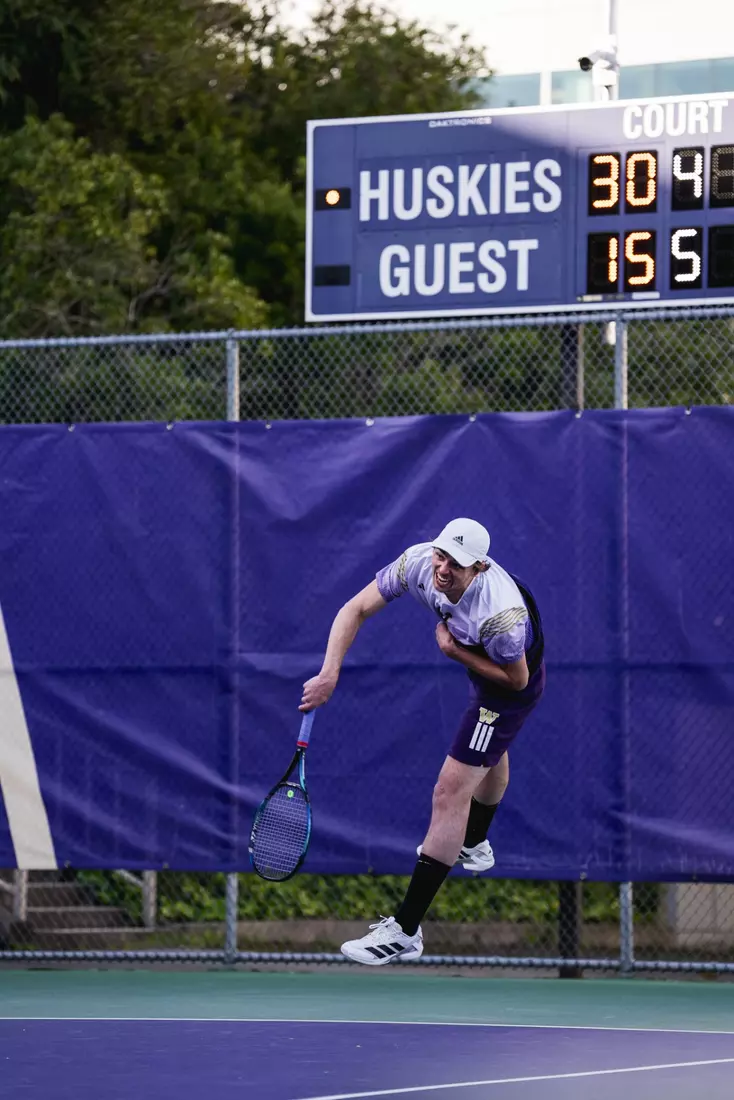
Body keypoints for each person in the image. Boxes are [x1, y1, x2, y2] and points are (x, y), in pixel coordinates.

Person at [299, 517, 545, 965]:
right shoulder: (418, 562)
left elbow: (517, 679)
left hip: (509, 681)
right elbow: (353, 609)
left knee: (450, 790)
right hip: (479, 654)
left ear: (480, 568)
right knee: (489, 751)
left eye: (457, 563)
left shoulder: (502, 618)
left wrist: (455, 653)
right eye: (442, 554)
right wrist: (330, 672)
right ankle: (475, 841)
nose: (444, 568)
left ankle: (406, 930)